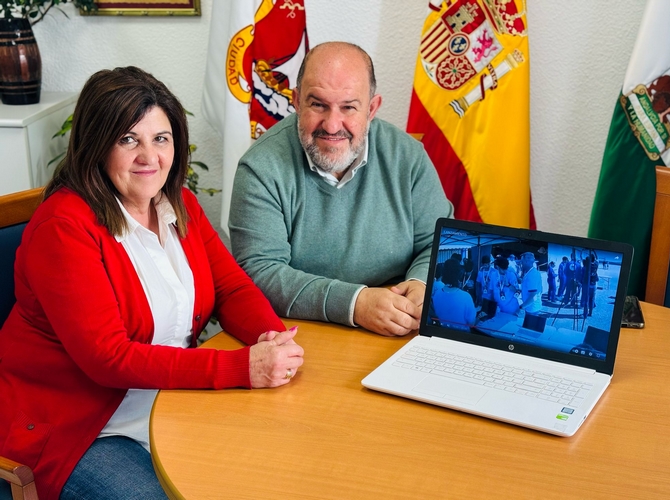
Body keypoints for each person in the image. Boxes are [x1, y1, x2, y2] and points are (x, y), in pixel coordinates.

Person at [0, 67, 304, 500]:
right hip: (82, 427)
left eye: (160, 138)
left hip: (171, 400)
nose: (149, 156)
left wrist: (272, 340)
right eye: (128, 139)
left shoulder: (179, 204)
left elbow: (231, 289)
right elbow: (109, 359)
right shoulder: (63, 227)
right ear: (96, 144)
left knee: (273, 472)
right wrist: (242, 367)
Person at [228, 42, 452, 337]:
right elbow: (260, 273)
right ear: (296, 101)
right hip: (302, 334)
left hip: (398, 326)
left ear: (371, 109)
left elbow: (439, 242)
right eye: (318, 105)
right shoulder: (260, 168)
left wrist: (421, 283)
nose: (332, 125)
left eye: (348, 107)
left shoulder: (408, 157)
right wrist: (355, 304)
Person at [431, 258, 476, 331]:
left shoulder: (436, 295)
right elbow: (472, 323)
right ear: (459, 274)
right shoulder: (466, 297)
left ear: (443, 274)